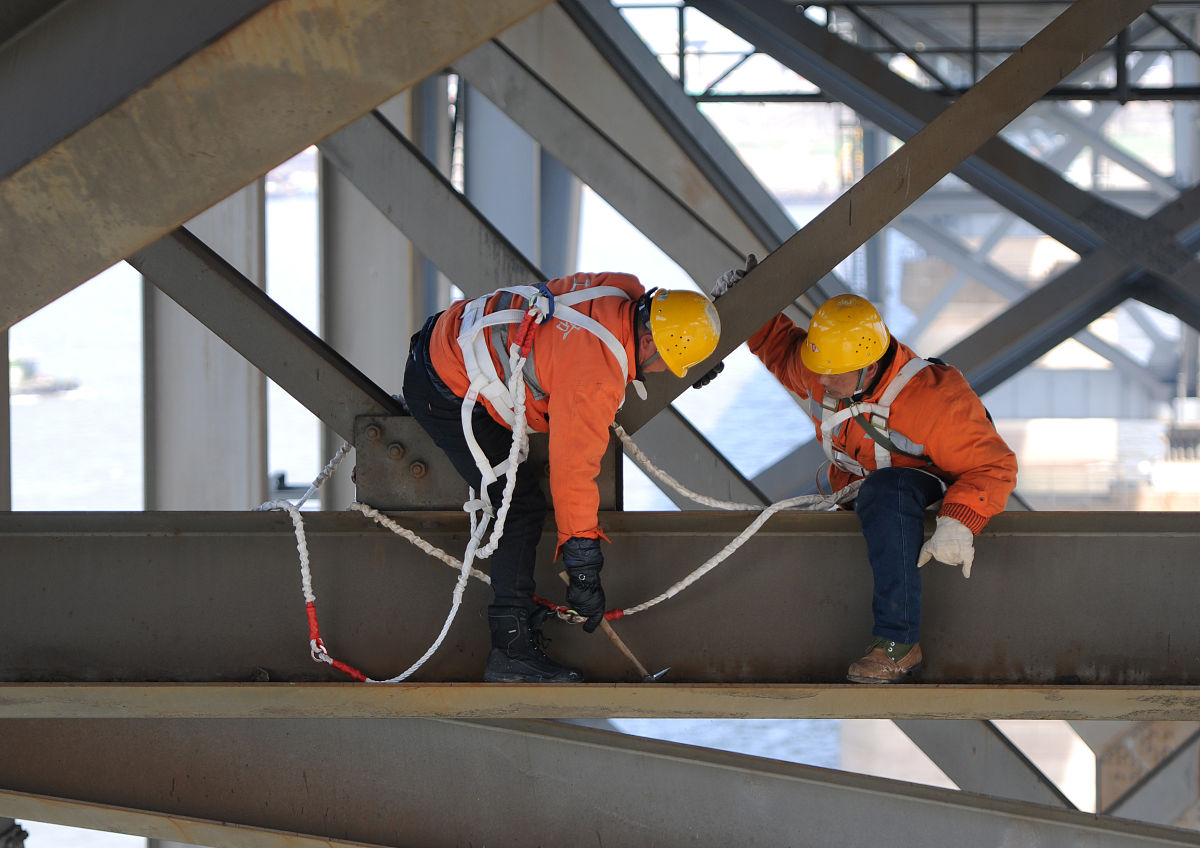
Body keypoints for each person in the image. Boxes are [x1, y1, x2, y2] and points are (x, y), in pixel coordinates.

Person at [403, 272, 721, 683]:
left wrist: (693, 354)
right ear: (647, 343)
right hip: (442, 385)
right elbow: (572, 474)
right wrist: (583, 566)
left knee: (520, 495)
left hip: (444, 336)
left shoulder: (620, 290)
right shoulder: (597, 378)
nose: (663, 373)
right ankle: (511, 650)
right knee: (517, 509)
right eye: (667, 364)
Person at [711, 265, 1016, 683]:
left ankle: (899, 645)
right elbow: (783, 350)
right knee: (877, 493)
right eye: (818, 369)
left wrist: (959, 522)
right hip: (863, 490)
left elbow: (994, 465)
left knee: (886, 492)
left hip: (917, 491)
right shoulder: (831, 369)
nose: (821, 381)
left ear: (869, 368)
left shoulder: (936, 401)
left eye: (833, 374)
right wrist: (748, 304)